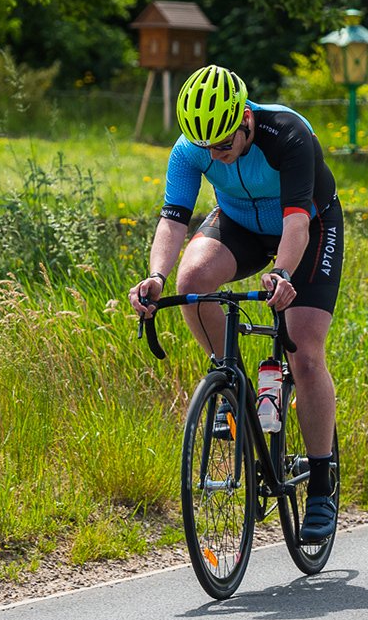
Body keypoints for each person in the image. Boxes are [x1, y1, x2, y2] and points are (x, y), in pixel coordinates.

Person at [128, 65, 344, 542]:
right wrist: (156, 276)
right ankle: (234, 386)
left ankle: (321, 484)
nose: (216, 156)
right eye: (206, 147)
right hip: (240, 223)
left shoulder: (288, 134)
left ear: (245, 119)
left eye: (224, 144)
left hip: (308, 227)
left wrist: (282, 273)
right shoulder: (192, 149)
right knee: (192, 280)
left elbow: (296, 223)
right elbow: (173, 219)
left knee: (305, 354)